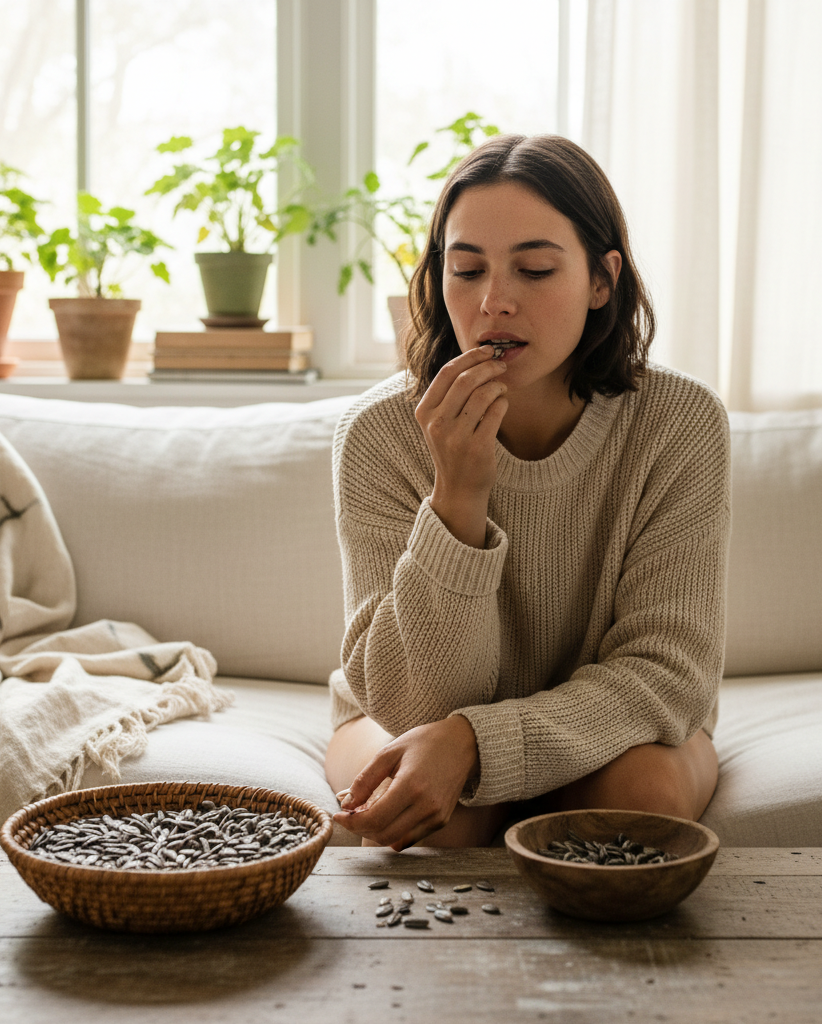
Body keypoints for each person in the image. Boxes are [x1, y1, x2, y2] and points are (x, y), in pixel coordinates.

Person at [324, 133, 730, 852]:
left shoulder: (680, 422)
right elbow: (414, 705)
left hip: (612, 732)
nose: (494, 303)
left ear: (602, 281)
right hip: (406, 712)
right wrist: (457, 498)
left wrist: (478, 744)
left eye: (535, 270)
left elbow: (669, 674)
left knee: (641, 800)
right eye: (466, 269)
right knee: (430, 820)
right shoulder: (379, 434)